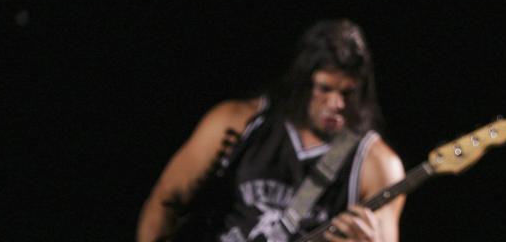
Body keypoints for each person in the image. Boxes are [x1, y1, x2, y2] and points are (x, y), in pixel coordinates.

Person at [137, 18, 405, 242]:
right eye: (325, 88)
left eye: (348, 92)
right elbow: (165, 200)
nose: (337, 104)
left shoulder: (377, 165)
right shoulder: (238, 122)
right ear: (302, 82)